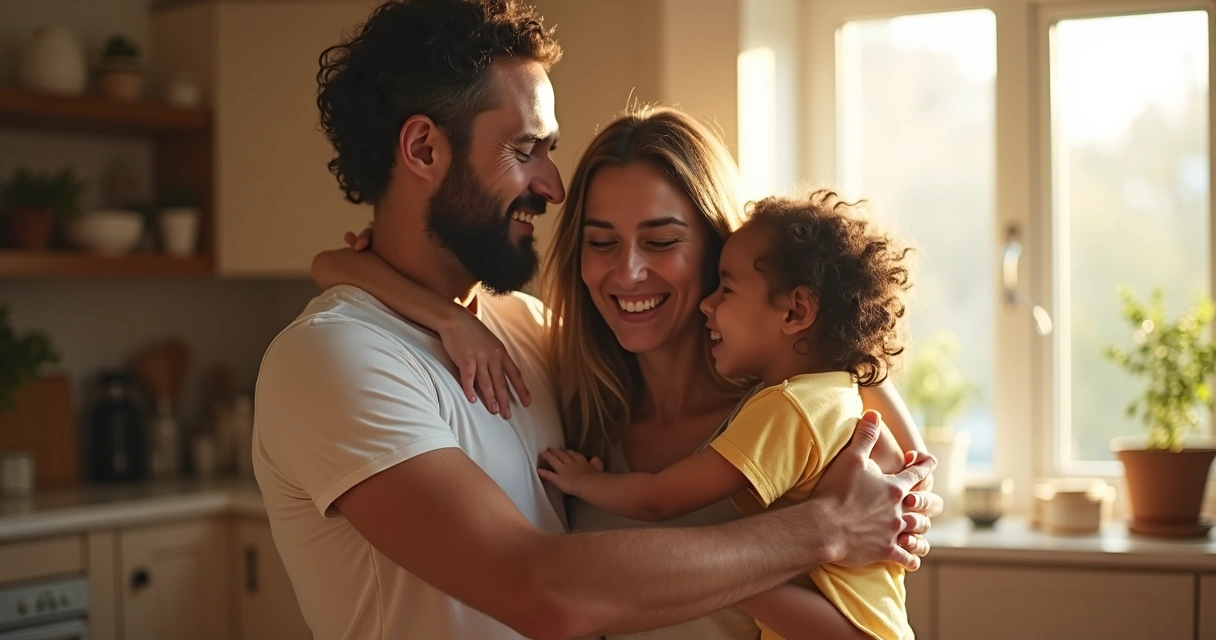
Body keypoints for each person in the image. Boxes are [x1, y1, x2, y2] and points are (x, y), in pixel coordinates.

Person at [256, 1, 940, 639]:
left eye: (664, 240)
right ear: (425, 150)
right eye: (526, 150)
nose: (552, 186)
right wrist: (829, 527)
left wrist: (898, 453)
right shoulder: (335, 357)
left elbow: (834, 387)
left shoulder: (523, 334)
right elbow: (541, 588)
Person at [537, 191, 916, 640]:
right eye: (602, 242)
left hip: (847, 627)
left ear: (796, 311)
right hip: (880, 623)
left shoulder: (788, 408)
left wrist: (585, 482)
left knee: (733, 579)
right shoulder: (840, 394)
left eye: (727, 289)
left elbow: (659, 499)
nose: (707, 305)